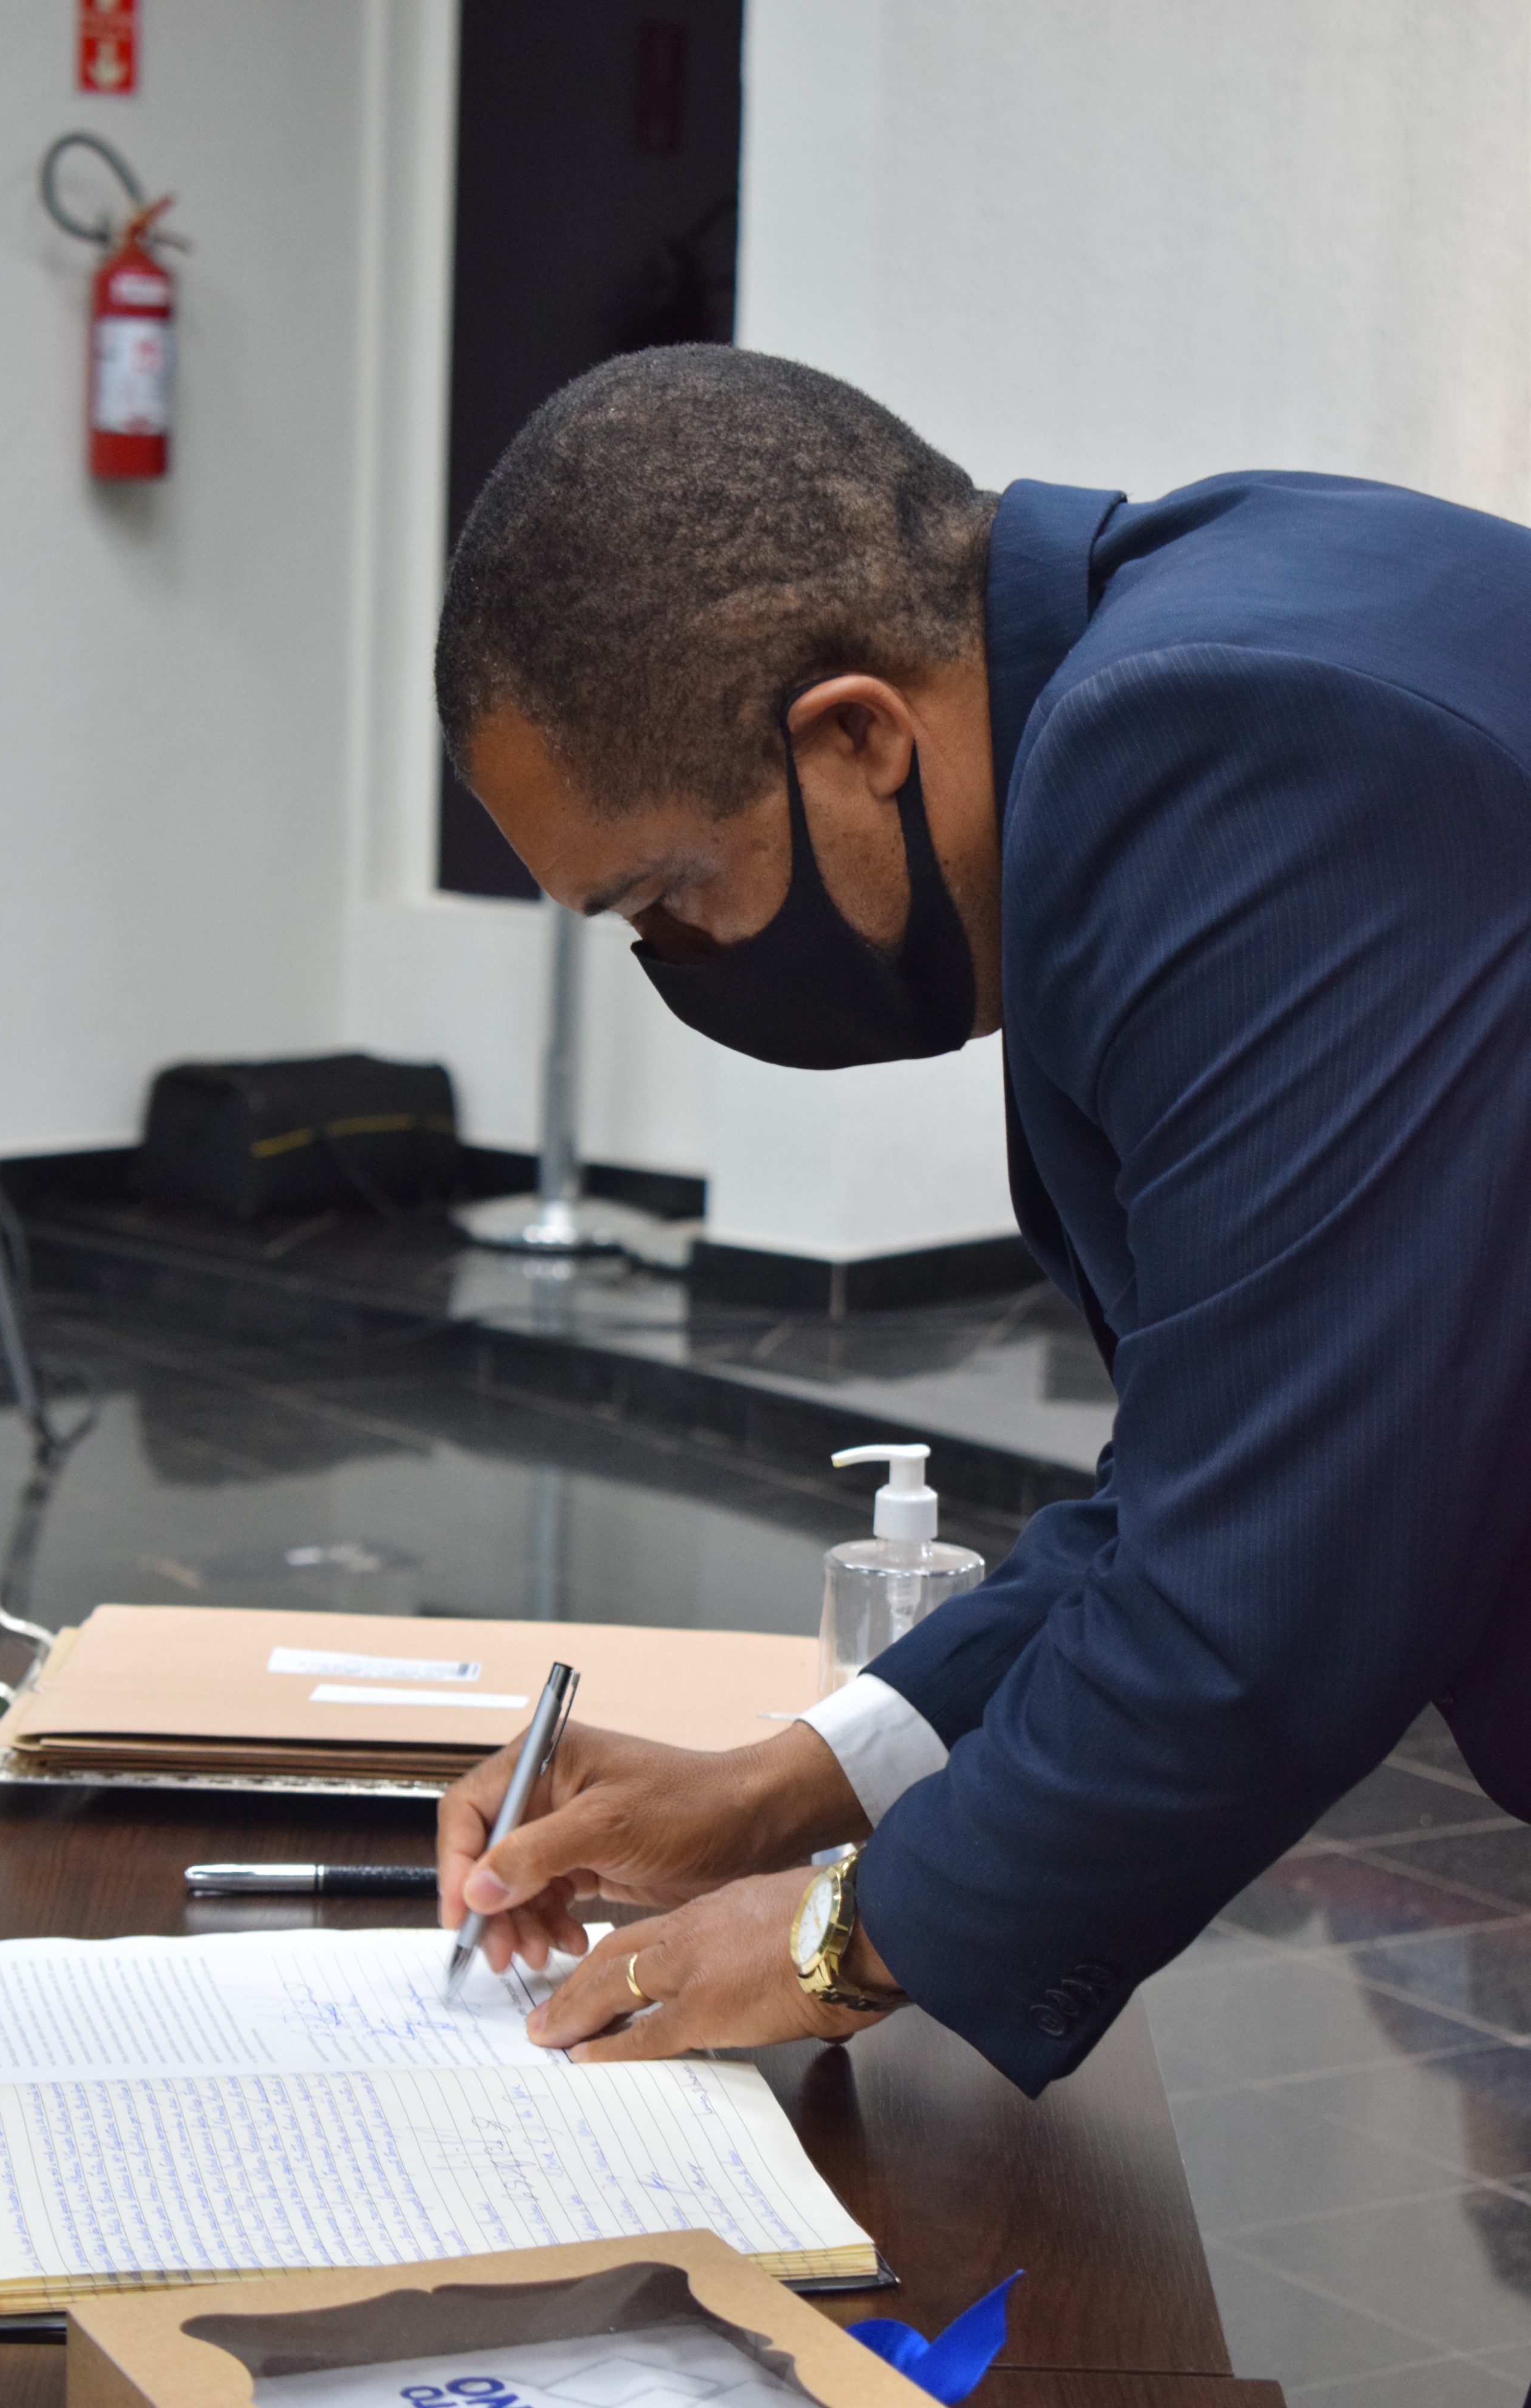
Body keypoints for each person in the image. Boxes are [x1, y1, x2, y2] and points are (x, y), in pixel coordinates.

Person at [430, 346, 1531, 2098]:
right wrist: (781, 1788)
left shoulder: (1222, 753)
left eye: (670, 896)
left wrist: (842, 1935)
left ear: (856, 738)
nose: (678, 964)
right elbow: (1210, 1465)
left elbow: (1268, 1585)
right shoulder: (1195, 640)